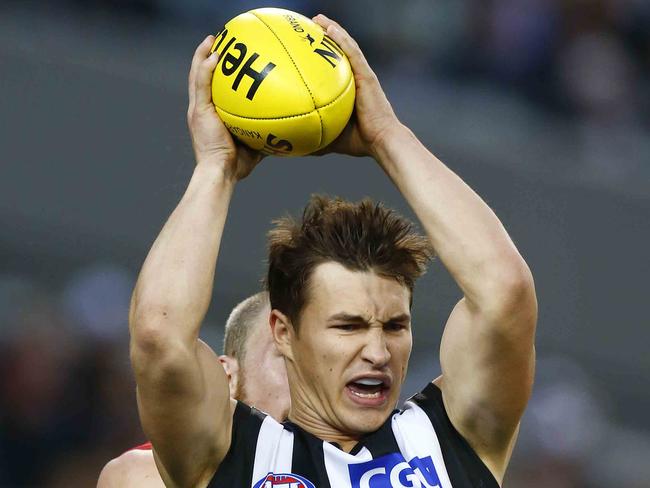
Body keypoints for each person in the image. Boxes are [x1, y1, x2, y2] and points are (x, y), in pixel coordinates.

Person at [129, 13, 537, 488]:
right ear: (283, 332)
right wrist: (215, 170)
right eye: (349, 326)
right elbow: (159, 336)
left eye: (394, 326)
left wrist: (387, 135)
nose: (378, 351)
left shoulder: (448, 443)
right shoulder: (235, 458)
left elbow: (506, 292)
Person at [98, 292, 289, 487]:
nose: (309, 377)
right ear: (229, 377)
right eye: (286, 358)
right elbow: (158, 334)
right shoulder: (140, 476)